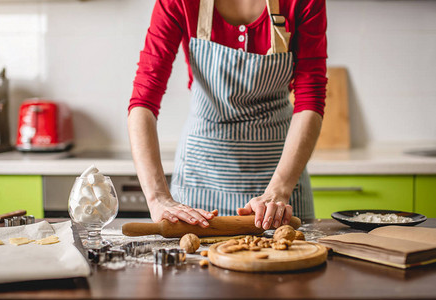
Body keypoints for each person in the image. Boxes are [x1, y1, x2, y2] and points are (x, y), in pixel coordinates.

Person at [128, 0, 327, 230]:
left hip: (281, 181)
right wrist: (157, 198)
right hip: (200, 178)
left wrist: (279, 190)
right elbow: (143, 101)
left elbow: (310, 98)